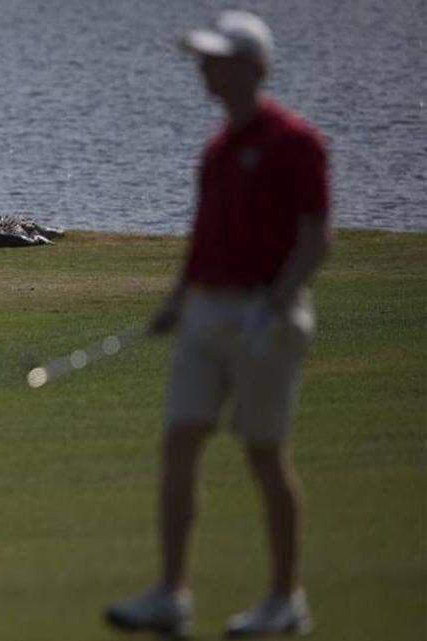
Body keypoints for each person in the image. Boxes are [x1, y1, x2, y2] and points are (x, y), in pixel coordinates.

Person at [105, 10, 331, 638]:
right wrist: (177, 298)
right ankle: (171, 593)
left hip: (267, 314)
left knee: (263, 454)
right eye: (204, 60)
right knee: (179, 442)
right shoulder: (217, 148)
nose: (206, 70)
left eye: (219, 60)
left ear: (254, 68)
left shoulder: (295, 141)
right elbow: (205, 235)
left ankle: (287, 598)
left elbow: (316, 239)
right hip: (206, 310)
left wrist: (278, 300)